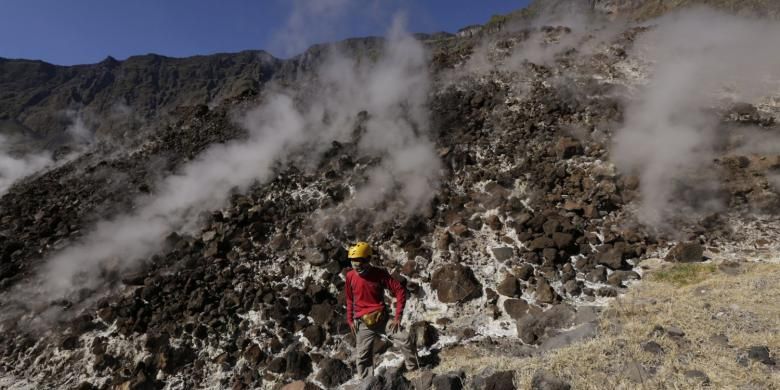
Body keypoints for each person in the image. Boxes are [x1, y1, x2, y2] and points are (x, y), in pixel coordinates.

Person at [345, 241, 418, 379]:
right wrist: (349, 320)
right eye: (353, 261)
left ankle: (413, 369)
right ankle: (367, 383)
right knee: (362, 356)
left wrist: (397, 317)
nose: (356, 265)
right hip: (363, 323)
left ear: (368, 259)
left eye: (360, 261)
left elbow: (400, 290)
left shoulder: (379, 274)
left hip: (382, 319)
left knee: (405, 338)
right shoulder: (350, 276)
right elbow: (349, 299)